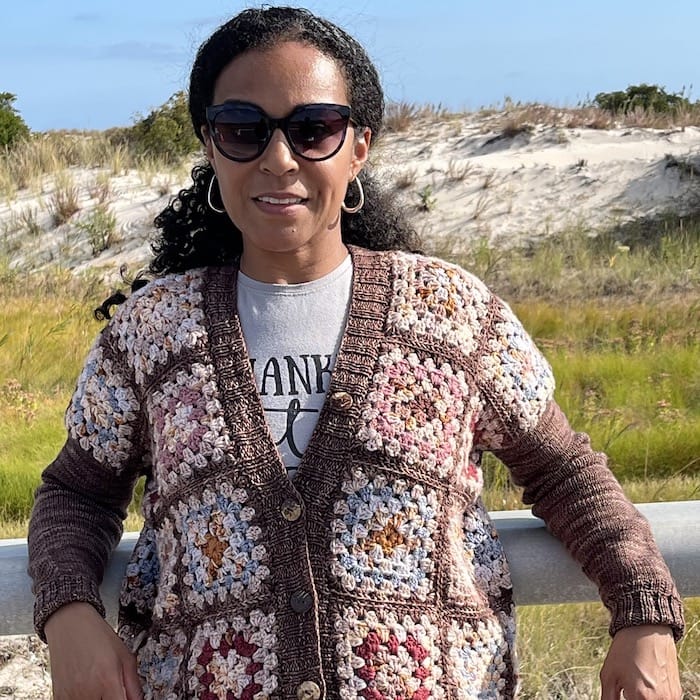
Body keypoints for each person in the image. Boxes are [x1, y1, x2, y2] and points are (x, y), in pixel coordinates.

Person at [28, 6, 684, 699]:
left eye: (313, 129)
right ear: (211, 146)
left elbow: (564, 474)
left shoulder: (451, 316)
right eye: (244, 130)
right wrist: (69, 614)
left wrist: (643, 613)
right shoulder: (152, 332)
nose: (279, 159)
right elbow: (76, 491)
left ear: (358, 147)